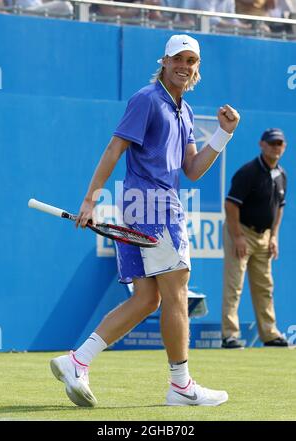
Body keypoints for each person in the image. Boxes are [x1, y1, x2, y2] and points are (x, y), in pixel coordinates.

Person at [50, 34, 240, 407]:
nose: (184, 66)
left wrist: (223, 134)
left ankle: (77, 360)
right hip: (154, 209)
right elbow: (114, 148)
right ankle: (181, 385)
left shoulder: (183, 111)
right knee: (176, 293)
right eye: (177, 59)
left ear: (195, 67)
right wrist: (90, 198)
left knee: (147, 299)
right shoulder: (147, 99)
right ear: (164, 62)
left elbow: (192, 169)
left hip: (144, 208)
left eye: (190, 61)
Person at [222, 128, 289, 349]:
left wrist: (274, 236)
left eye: (279, 144)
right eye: (271, 143)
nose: (275, 147)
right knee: (235, 285)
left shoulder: (281, 175)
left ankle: (269, 333)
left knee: (265, 286)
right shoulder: (248, 172)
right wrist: (238, 236)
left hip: (264, 236)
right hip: (240, 231)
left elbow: (279, 208)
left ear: (284, 147)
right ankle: (230, 335)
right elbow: (231, 204)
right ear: (262, 144)